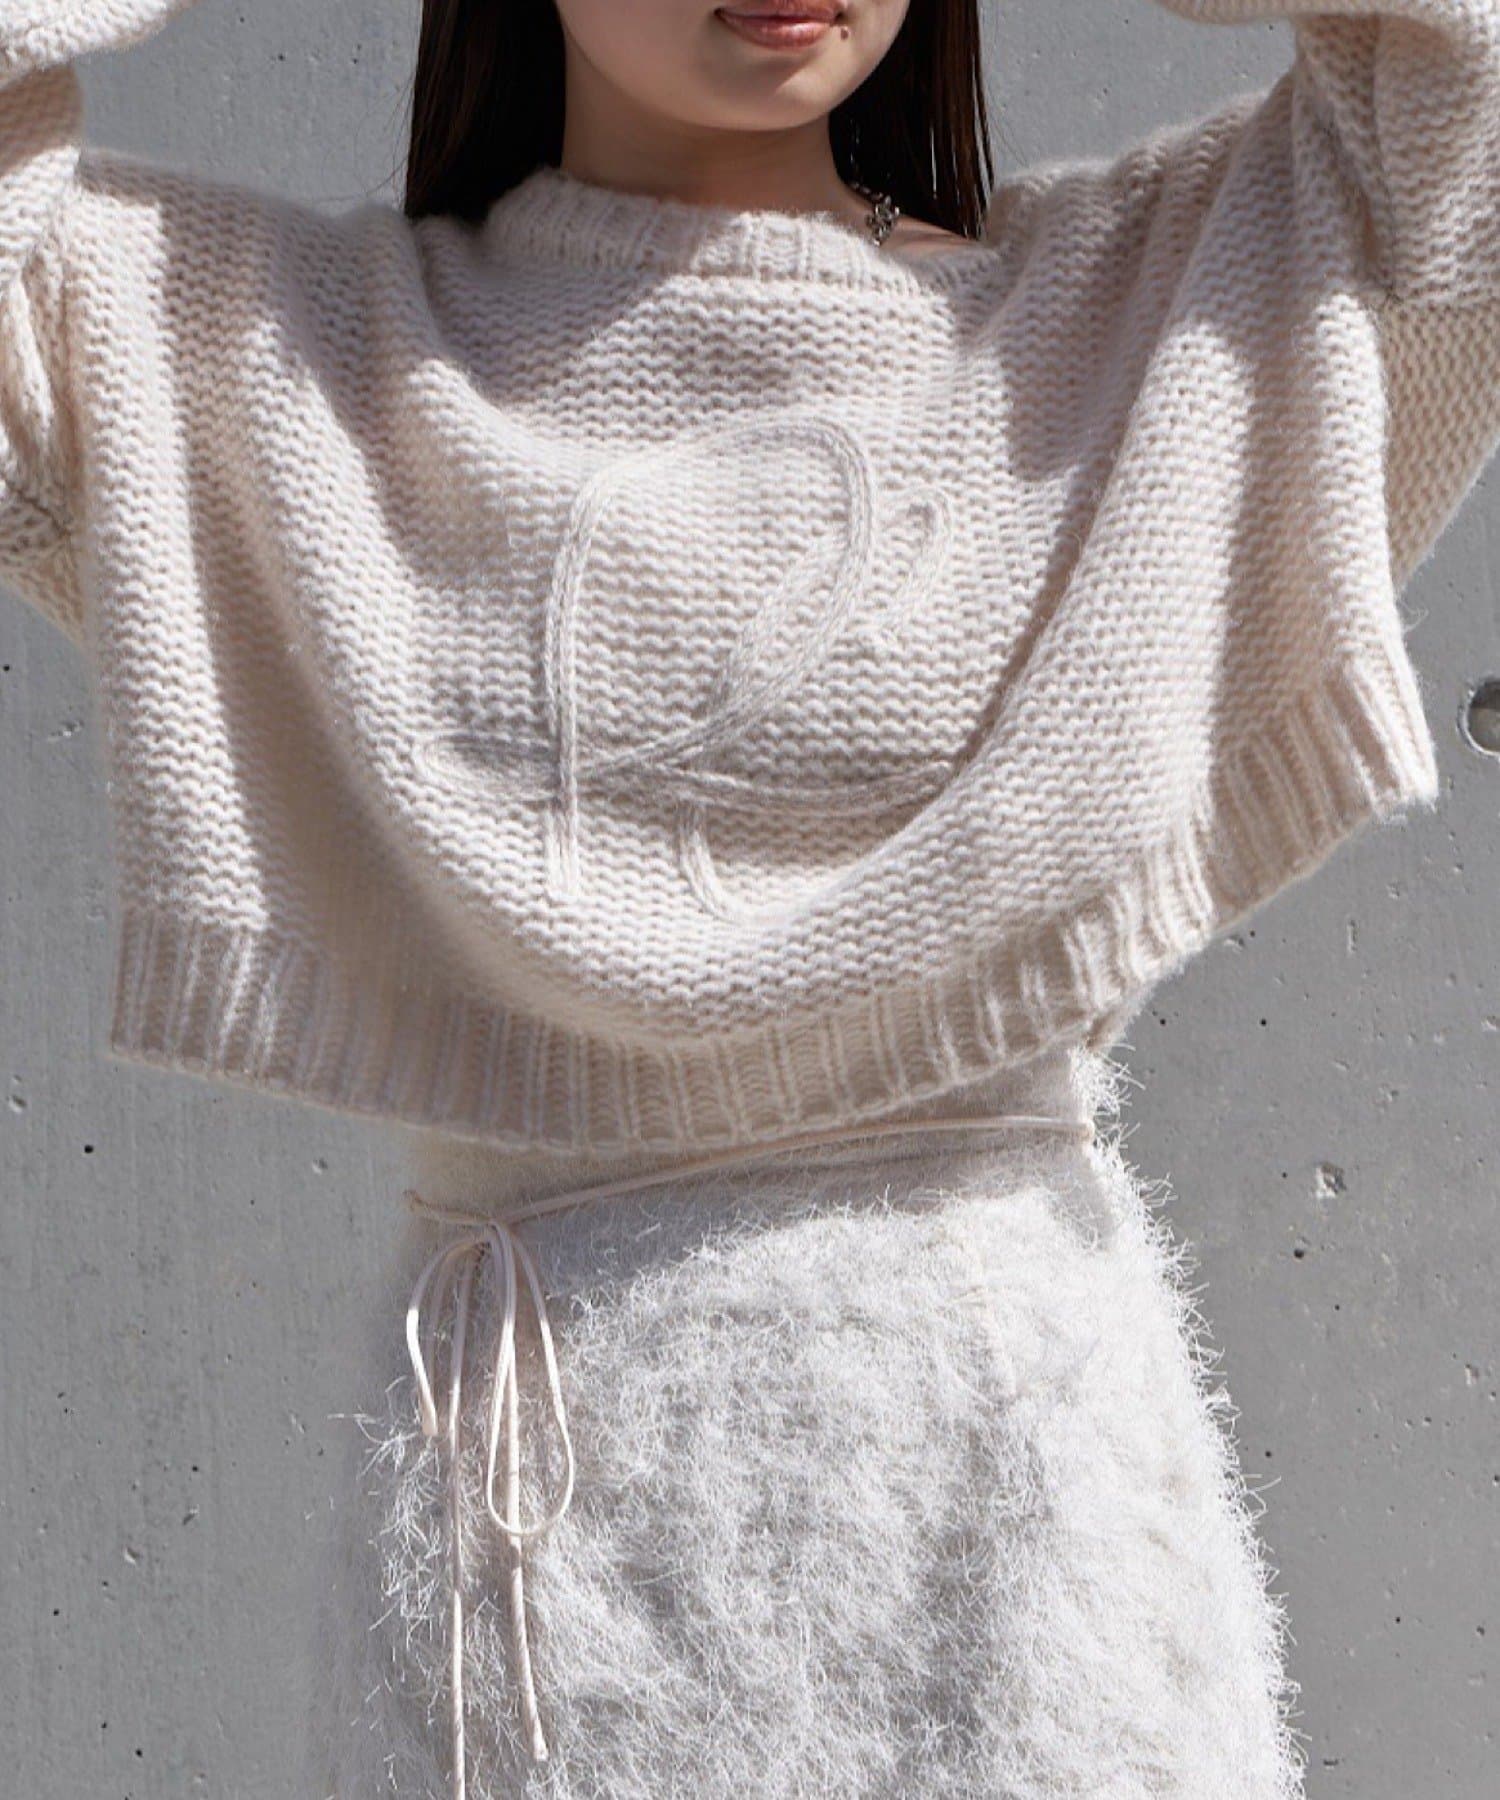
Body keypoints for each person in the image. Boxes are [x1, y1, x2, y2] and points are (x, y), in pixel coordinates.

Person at [2, 2, 1497, 1795]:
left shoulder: (1140, 319)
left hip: (1032, 1548)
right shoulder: (269, 361)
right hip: (536, 1569)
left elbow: (1466, 105)